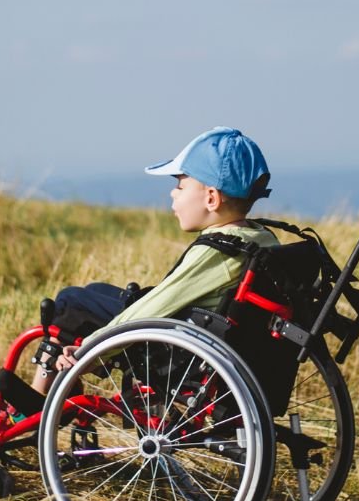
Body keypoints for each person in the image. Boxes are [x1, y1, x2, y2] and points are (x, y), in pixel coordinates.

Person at [40, 127, 278, 375]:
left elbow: (156, 306)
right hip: (219, 339)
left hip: (175, 347)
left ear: (211, 199)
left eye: (180, 185)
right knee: (94, 292)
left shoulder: (220, 251)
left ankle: (36, 404)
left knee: (70, 301)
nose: (172, 193)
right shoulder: (262, 240)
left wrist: (88, 350)